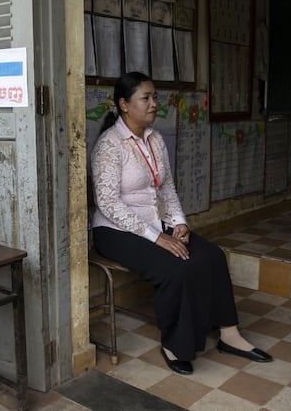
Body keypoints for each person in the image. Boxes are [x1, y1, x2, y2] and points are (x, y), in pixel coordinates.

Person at [91, 72, 273, 375]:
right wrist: (156, 237)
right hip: (114, 230)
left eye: (154, 97)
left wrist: (178, 223)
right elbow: (108, 204)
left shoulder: (156, 139)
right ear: (124, 104)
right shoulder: (109, 146)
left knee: (212, 256)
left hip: (154, 220)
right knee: (175, 267)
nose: (154, 104)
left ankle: (230, 335)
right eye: (146, 98)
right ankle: (175, 344)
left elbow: (167, 188)